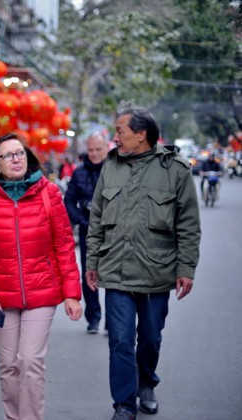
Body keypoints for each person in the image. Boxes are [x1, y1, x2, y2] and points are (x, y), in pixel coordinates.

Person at [85, 107, 201, 420]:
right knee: (120, 340)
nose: (115, 137)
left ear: (141, 134)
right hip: (117, 269)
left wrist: (186, 269)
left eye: (120, 130)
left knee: (150, 337)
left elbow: (188, 223)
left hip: (157, 269)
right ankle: (124, 404)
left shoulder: (175, 169)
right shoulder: (111, 166)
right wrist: (92, 260)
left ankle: (147, 383)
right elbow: (96, 217)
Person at [0, 132, 82, 420]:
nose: (15, 158)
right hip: (1, 295)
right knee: (8, 365)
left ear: (27, 159)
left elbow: (64, 245)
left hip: (42, 290)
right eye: (7, 155)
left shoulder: (49, 193)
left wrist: (72, 293)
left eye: (20, 153)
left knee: (30, 361)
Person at [64, 132, 109, 333]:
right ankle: (93, 317)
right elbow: (69, 201)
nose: (94, 154)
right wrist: (83, 222)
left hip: (113, 233)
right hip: (88, 231)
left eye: (98, 149)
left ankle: (114, 318)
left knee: (114, 276)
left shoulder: (116, 170)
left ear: (107, 148)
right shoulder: (79, 172)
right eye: (90, 150)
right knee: (89, 274)